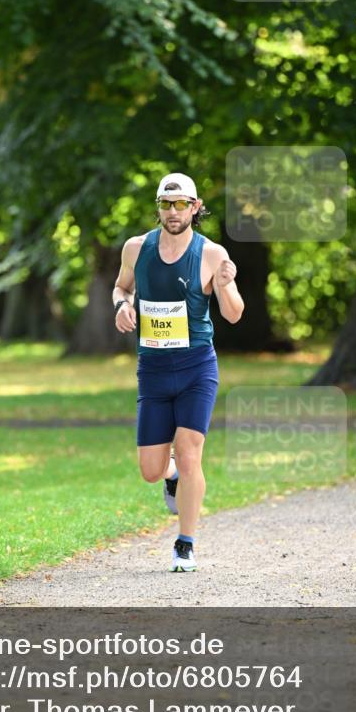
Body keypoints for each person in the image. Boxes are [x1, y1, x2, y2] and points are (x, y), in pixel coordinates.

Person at [112, 172, 244, 572]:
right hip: (152, 369)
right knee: (151, 471)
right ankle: (169, 477)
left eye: (182, 204)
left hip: (195, 369)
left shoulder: (211, 254)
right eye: (167, 205)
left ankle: (185, 544)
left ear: (195, 207)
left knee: (190, 455)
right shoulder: (136, 249)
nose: (174, 212)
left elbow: (234, 315)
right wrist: (122, 305)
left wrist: (225, 284)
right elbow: (122, 287)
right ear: (158, 208)